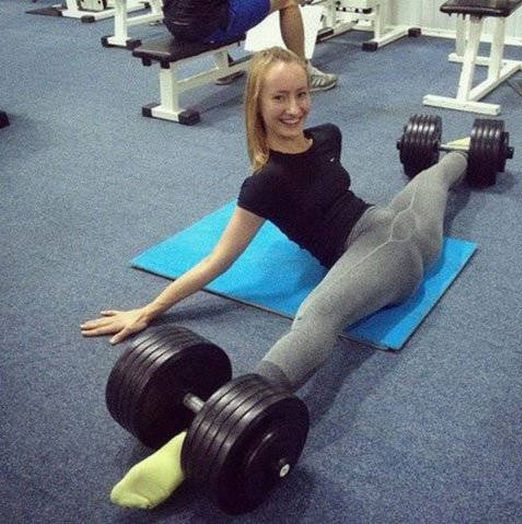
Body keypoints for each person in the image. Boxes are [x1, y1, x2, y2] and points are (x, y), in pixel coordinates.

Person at [80, 46, 467, 510]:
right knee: (429, 184)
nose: (295, 108)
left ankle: (206, 431)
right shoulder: (264, 184)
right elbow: (217, 260)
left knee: (428, 186)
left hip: (393, 247)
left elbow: (325, 193)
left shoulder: (327, 137)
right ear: (257, 103)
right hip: (381, 241)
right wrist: (149, 310)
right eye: (279, 97)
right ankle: (218, 422)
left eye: (302, 94)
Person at [162, 0, 337, 91]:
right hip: (206, 26)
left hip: (175, 25)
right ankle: (303, 73)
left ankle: (225, 68)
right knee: (288, 1)